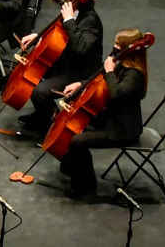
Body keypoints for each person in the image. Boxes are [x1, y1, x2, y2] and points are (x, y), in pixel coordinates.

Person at [57, 29, 149, 200]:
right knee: (76, 120)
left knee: (78, 141)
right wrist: (81, 84)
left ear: (127, 49)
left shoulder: (134, 74)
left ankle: (86, 187)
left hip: (122, 130)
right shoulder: (121, 62)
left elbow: (116, 93)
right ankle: (72, 166)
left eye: (116, 44)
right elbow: (98, 77)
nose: (113, 47)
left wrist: (110, 72)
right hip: (112, 117)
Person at [15, 0, 103, 137]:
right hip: (65, 60)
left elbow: (81, 49)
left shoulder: (90, 20)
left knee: (39, 92)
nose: (63, 2)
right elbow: (59, 33)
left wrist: (69, 20)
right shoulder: (71, 9)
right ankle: (44, 115)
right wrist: (38, 36)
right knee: (30, 73)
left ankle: (54, 122)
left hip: (81, 70)